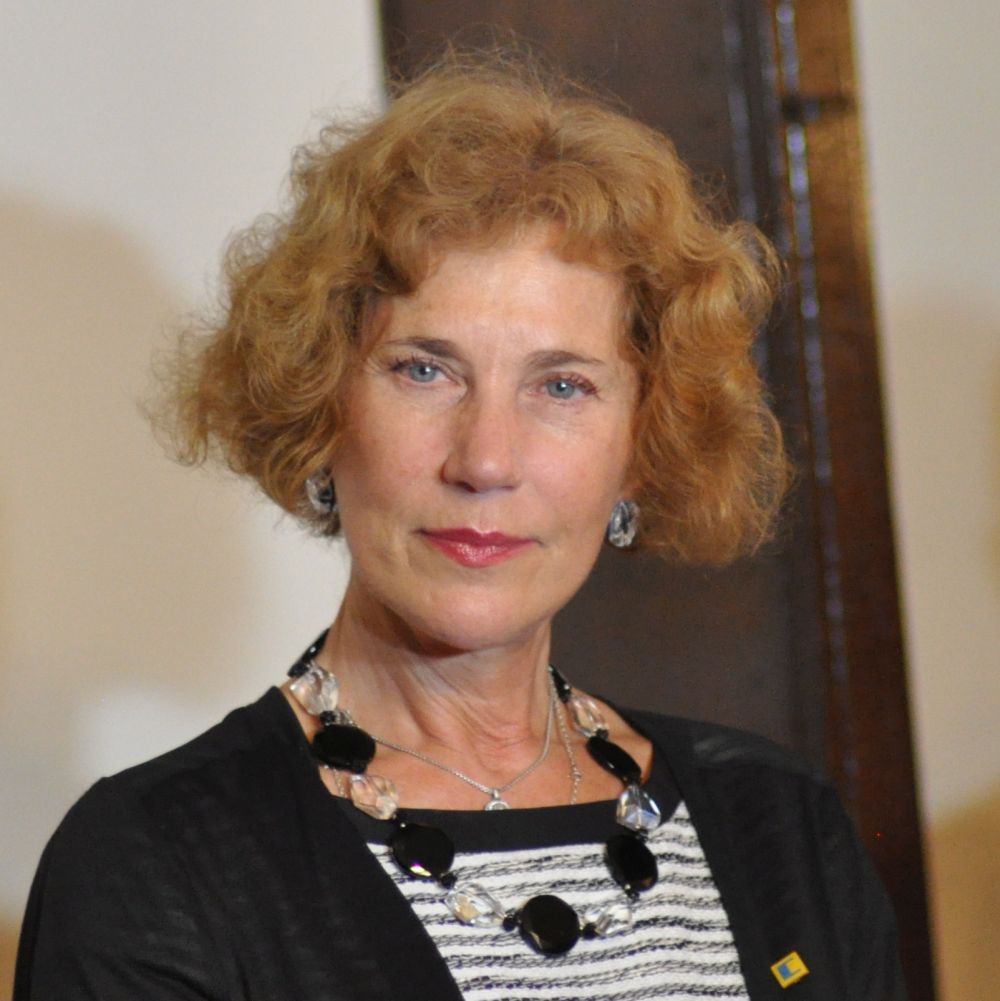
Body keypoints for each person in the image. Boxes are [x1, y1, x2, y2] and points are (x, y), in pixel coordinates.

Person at [14, 57, 907, 1000]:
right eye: (424, 370)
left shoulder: (783, 826)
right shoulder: (155, 865)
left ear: (642, 447)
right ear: (321, 405)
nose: (485, 459)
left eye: (562, 385)